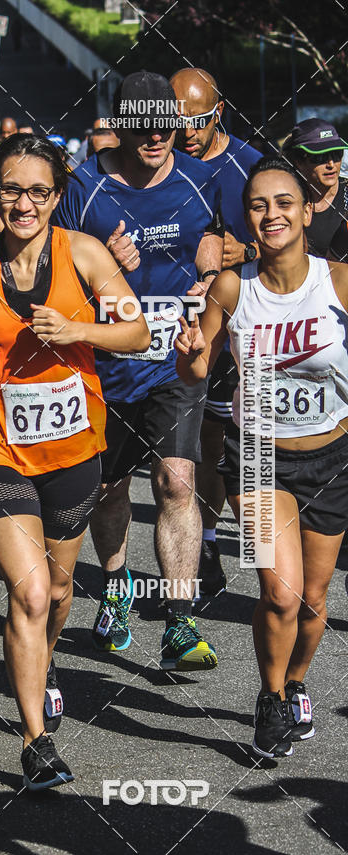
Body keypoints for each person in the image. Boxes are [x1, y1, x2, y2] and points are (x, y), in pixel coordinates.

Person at [0, 134, 150, 788]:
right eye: (10, 190)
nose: (23, 203)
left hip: (71, 452)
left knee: (58, 593)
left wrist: (81, 330)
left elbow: (138, 331)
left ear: (57, 196)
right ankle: (37, 743)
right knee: (29, 592)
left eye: (37, 191)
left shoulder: (82, 254)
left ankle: (44, 658)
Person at [175, 156, 348, 757]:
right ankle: (270, 699)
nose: (271, 214)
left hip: (333, 456)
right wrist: (191, 349)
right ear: (246, 219)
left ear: (306, 211)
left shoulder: (341, 280)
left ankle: (298, 681)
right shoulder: (232, 287)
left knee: (316, 601)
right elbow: (196, 370)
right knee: (280, 593)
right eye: (258, 205)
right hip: (256, 456)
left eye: (283, 203)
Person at [53, 71, 222, 669]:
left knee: (177, 482)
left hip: (171, 363)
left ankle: (180, 621)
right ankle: (118, 586)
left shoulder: (204, 181)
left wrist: (218, 265)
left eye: (166, 123)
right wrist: (96, 266)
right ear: (119, 125)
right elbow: (48, 268)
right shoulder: (84, 185)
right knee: (107, 488)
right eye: (141, 124)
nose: (155, 136)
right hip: (101, 365)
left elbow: (253, 246)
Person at [171, 67, 262, 597]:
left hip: (244, 330)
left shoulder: (249, 166)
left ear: (219, 110)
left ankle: (268, 559)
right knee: (201, 445)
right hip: (184, 332)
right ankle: (205, 547)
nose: (188, 131)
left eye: (199, 120)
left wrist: (246, 251)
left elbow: (293, 244)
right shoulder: (160, 165)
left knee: (250, 446)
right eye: (178, 120)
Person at [282, 118, 348, 257]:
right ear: (299, 161)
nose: (331, 164)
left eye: (336, 154)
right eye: (320, 157)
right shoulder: (283, 202)